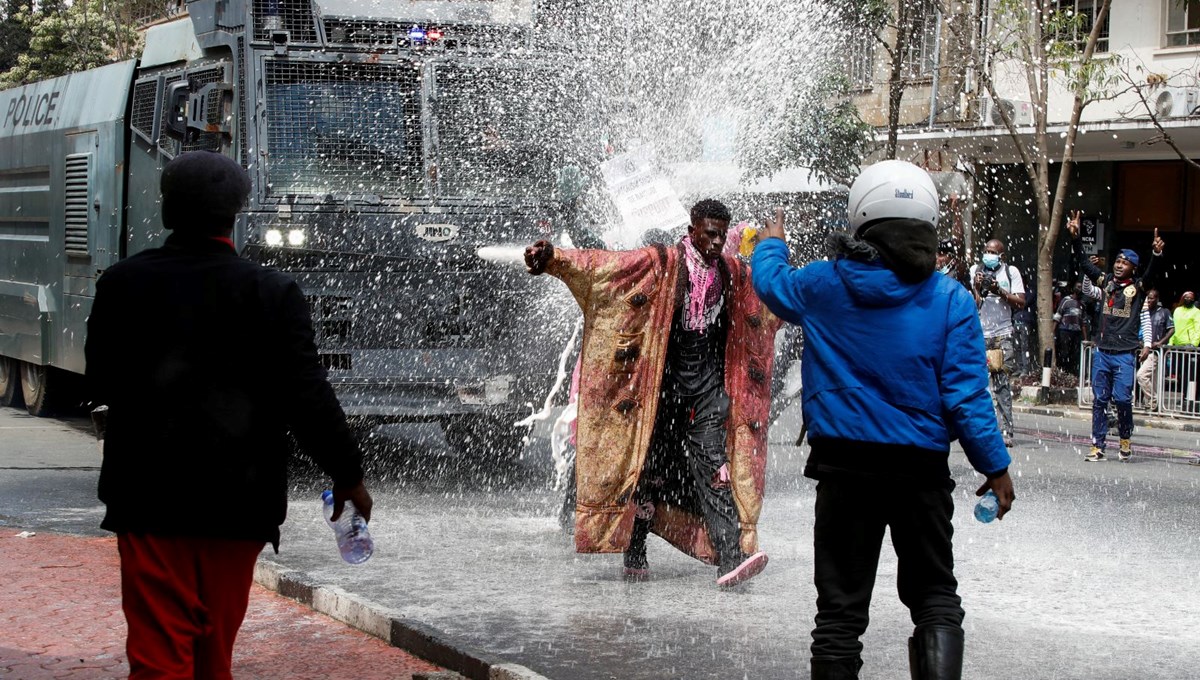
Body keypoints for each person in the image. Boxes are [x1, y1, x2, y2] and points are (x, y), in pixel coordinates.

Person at [85, 151, 373, 678]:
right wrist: (347, 473)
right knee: (214, 652)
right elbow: (307, 395)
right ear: (235, 213)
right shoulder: (273, 292)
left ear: (168, 210)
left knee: (158, 655)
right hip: (238, 501)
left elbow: (101, 380)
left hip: (149, 496)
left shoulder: (122, 283)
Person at [750, 160, 1014, 680]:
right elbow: (966, 397)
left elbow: (770, 284)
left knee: (839, 615)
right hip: (920, 472)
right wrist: (996, 467)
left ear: (861, 218)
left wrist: (772, 241)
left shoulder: (824, 284)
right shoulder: (951, 299)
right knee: (936, 596)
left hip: (843, 469)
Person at [524, 200, 781, 587]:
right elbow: (607, 268)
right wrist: (555, 259)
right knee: (650, 474)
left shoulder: (729, 271)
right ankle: (636, 550)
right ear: (692, 230)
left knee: (715, 467)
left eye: (721, 235)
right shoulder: (661, 262)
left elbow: (776, 291)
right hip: (661, 392)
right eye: (709, 233)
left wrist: (773, 249)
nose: (715, 242)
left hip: (707, 390)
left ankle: (730, 556)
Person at [1066, 210, 1165, 462]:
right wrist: (1076, 239)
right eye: (1118, 260)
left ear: (1133, 267)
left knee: (1122, 400)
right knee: (1100, 400)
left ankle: (1124, 438)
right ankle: (1098, 445)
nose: (1119, 264)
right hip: (1102, 352)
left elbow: (1152, 274)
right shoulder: (1106, 282)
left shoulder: (1138, 288)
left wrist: (1156, 254)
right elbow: (1086, 266)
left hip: (1124, 356)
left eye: (1125, 262)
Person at [969, 238, 1025, 446]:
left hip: (1003, 334)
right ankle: (981, 430)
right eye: (986, 251)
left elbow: (1021, 302)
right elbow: (975, 304)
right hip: (981, 335)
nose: (988, 255)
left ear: (1002, 256)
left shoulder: (1011, 272)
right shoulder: (976, 269)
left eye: (993, 252)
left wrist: (999, 290)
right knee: (980, 384)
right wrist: (977, 287)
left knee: (1001, 384)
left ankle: (1006, 431)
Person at [1136, 289, 1174, 411]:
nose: (1149, 300)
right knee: (1151, 379)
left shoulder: (1164, 312)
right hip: (1143, 350)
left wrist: (1161, 342)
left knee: (1141, 375)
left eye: (1152, 298)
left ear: (1157, 299)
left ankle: (1153, 400)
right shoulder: (1144, 312)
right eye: (1148, 297)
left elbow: (1172, 329)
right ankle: (1152, 404)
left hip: (1155, 352)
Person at [1053, 282, 1086, 377]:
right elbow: (1058, 316)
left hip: (1076, 332)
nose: (1079, 289)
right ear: (1073, 288)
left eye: (1081, 287)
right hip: (1065, 330)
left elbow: (1083, 322)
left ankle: (1072, 375)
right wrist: (1053, 332)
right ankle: (1063, 373)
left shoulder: (1082, 304)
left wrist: (1085, 338)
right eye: (1078, 287)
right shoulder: (1066, 300)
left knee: (1074, 354)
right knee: (1064, 352)